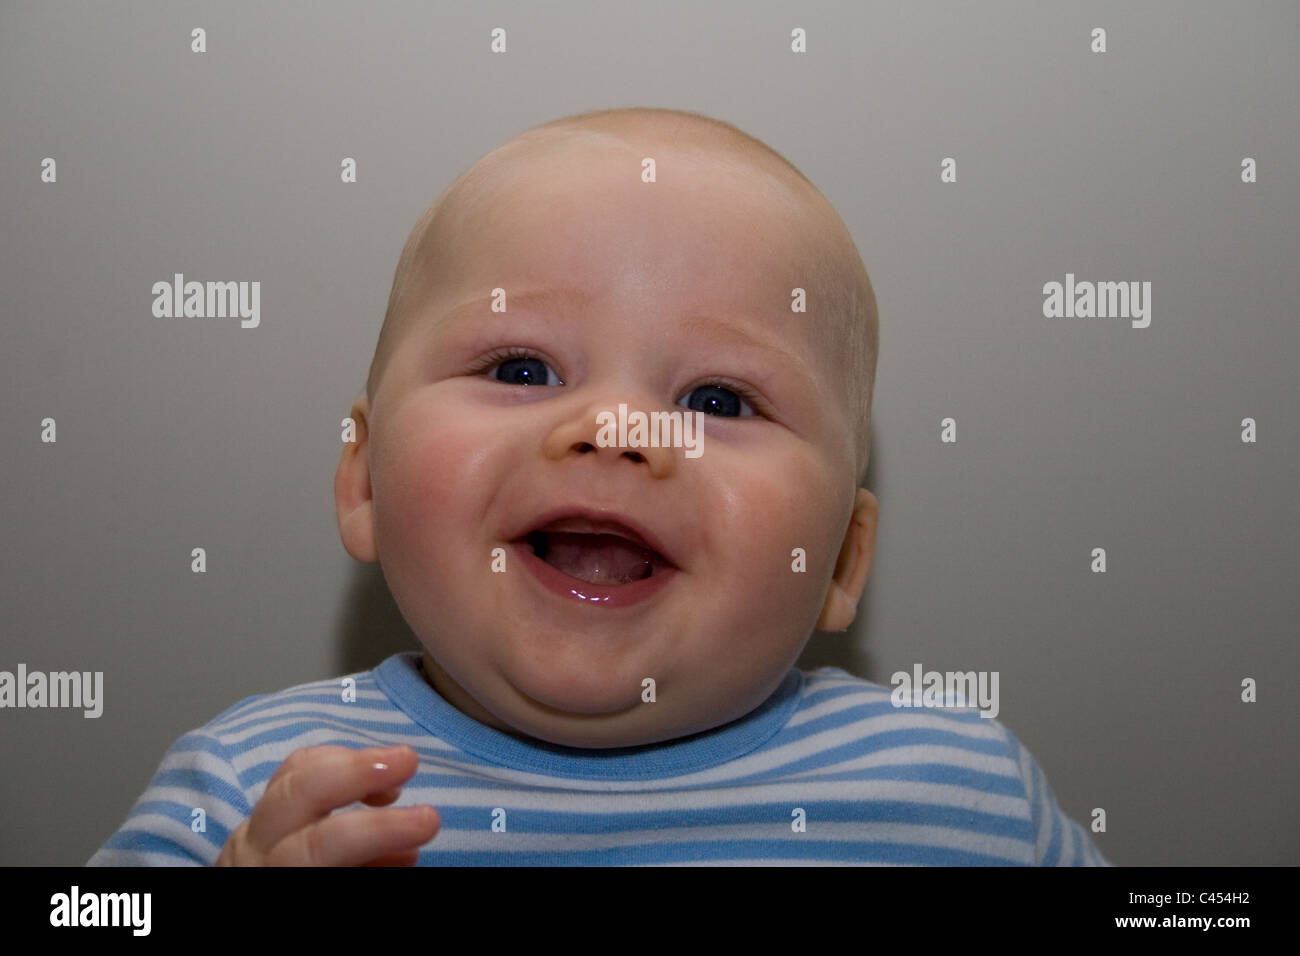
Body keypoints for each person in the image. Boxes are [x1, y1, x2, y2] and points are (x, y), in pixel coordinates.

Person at [88, 107, 1108, 866]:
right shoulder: (251, 782)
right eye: (521, 369)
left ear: (839, 560)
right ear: (362, 479)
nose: (618, 429)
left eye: (718, 397)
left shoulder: (962, 793)